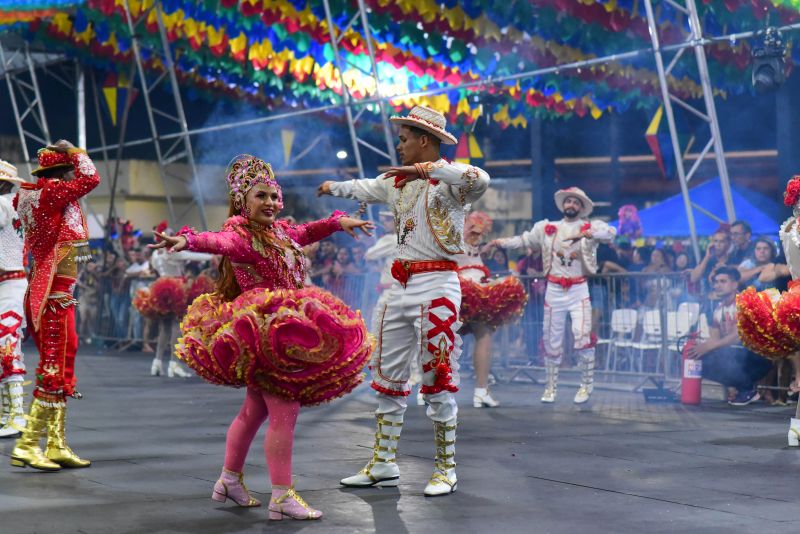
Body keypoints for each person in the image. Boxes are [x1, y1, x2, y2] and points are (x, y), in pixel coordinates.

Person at [153, 154, 373, 520]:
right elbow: (216, 242)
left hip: (286, 333)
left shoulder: (281, 233)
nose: (270, 203)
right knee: (284, 410)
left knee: (254, 411)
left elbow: (308, 231)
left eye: (274, 196)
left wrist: (337, 223)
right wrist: (185, 241)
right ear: (244, 201)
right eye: (261, 196)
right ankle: (282, 495)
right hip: (266, 335)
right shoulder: (240, 237)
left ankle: (228, 480)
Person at [318, 105, 490, 496]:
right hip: (400, 286)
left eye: (404, 139)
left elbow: (480, 178)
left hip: (438, 286)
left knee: (437, 376)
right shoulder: (396, 183)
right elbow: (364, 186)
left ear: (423, 141)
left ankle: (446, 468)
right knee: (388, 376)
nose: (399, 146)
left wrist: (428, 170)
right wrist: (332, 186)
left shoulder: (449, 183)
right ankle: (383, 463)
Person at [10, 139, 99, 471]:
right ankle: (28, 444)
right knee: (51, 369)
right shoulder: (50, 195)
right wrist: (76, 151)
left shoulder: (37, 197)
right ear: (61, 172)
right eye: (68, 171)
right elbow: (91, 179)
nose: (72, 180)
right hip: (53, 294)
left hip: (57, 292)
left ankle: (57, 444)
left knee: (64, 361)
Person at [489, 187, 616, 404]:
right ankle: (550, 388)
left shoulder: (589, 226)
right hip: (554, 290)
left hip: (579, 289)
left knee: (582, 335)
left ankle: (586, 385)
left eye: (576, 202)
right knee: (551, 340)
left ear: (581, 207)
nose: (571, 205)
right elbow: (524, 240)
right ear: (563, 205)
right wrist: (498, 242)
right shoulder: (548, 228)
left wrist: (590, 233)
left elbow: (611, 233)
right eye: (568, 201)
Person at [455, 211, 526, 408]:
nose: (478, 235)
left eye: (481, 233)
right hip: (455, 290)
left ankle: (481, 391)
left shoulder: (478, 248)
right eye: (474, 230)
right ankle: (429, 388)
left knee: (484, 334)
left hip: (478, 291)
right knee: (441, 339)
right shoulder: (450, 238)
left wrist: (492, 245)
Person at [687, 267, 771, 405]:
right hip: (737, 355)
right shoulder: (718, 309)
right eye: (716, 282)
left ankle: (747, 388)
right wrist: (701, 348)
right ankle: (741, 388)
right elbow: (715, 338)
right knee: (700, 361)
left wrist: (709, 347)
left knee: (727, 353)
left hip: (758, 357)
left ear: (734, 284)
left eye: (722, 281)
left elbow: (737, 336)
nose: (717, 285)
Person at [148, 222, 212, 378]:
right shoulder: (173, 252)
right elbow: (193, 255)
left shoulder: (155, 255)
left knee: (164, 327)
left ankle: (156, 363)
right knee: (177, 326)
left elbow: (155, 268)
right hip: (176, 288)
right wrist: (214, 254)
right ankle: (173, 364)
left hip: (161, 289)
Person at [0, 160, 28, 439]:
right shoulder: (15, 203)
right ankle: (8, 413)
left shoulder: (4, 204)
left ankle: (16, 415)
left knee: (8, 345)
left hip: (9, 284)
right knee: (6, 346)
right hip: (10, 282)